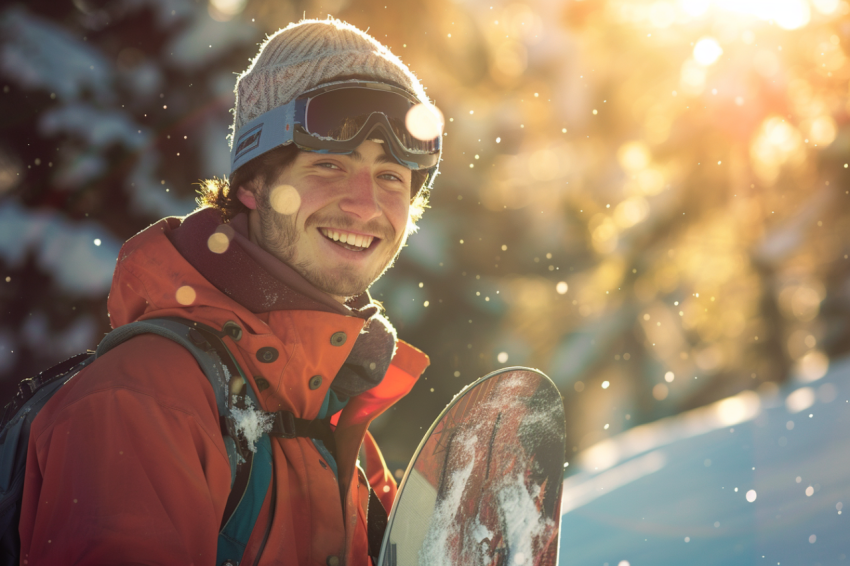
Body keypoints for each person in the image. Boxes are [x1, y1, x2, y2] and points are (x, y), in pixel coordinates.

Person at [19, 18, 441, 566]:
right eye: (329, 165)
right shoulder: (146, 399)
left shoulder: (331, 415)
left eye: (391, 177)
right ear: (251, 185)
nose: (365, 206)